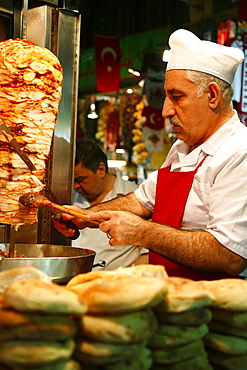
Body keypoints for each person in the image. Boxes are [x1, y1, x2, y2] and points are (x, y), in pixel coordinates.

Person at [54, 29, 247, 280]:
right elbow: (141, 201)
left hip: (210, 304)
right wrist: (86, 217)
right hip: (169, 293)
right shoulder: (183, 146)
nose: (166, 110)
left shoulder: (238, 152)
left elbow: (229, 256)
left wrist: (142, 232)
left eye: (177, 97)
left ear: (212, 95)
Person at [54, 139, 148, 270]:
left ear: (101, 169)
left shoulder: (139, 200)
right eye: (72, 181)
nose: (75, 186)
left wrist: (121, 278)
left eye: (80, 179)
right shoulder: (67, 196)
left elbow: (147, 255)